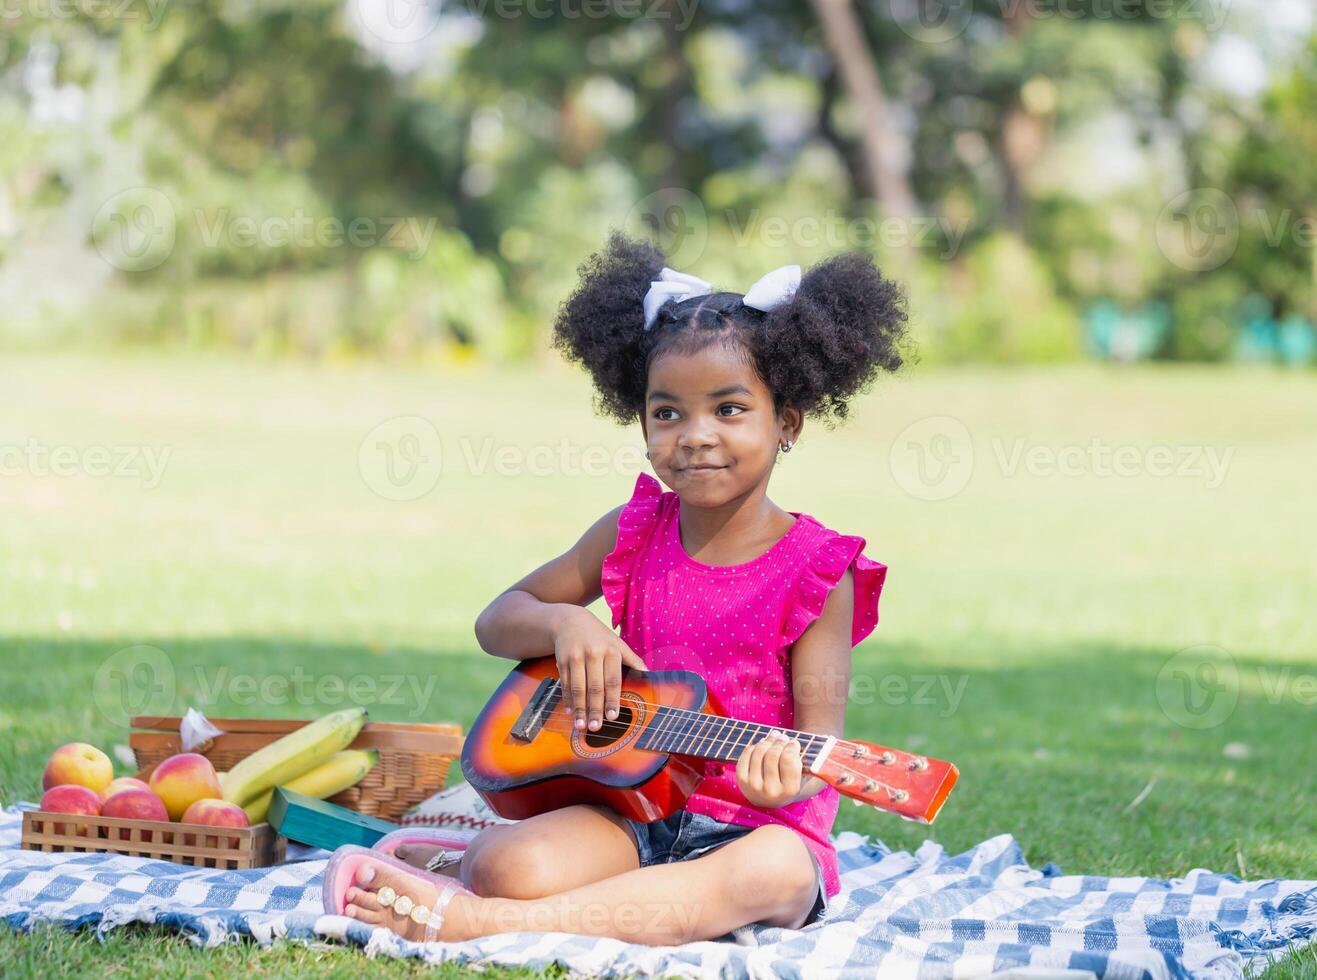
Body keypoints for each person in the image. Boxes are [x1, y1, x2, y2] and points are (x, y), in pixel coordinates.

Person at [326, 231, 910, 943]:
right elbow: (497, 620)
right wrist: (567, 626)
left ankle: (478, 921)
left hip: (755, 826)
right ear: (639, 421)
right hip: (630, 808)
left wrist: (790, 778)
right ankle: (513, 896)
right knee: (508, 862)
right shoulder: (632, 531)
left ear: (786, 422)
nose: (694, 436)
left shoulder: (820, 567)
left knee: (777, 872)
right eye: (668, 413)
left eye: (729, 410)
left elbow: (822, 747)